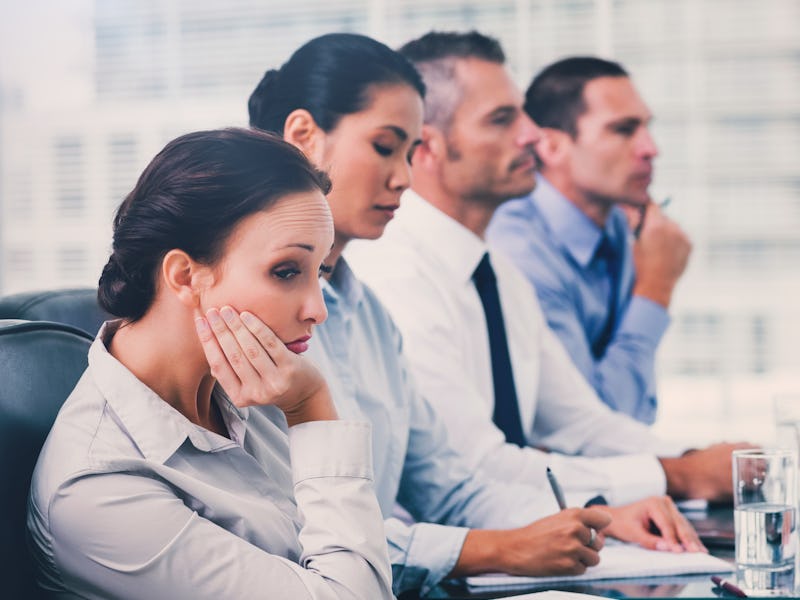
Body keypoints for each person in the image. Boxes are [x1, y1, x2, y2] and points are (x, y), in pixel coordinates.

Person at [249, 32, 705, 597]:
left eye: (408, 152)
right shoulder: (251, 315)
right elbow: (286, 533)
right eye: (386, 147)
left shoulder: (370, 315)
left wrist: (598, 514)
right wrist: (498, 548)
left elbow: (451, 485)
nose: (404, 178)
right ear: (304, 137)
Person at [346, 31, 746, 515]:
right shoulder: (393, 273)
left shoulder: (498, 273)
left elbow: (581, 423)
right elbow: (474, 469)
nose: (532, 135)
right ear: (426, 147)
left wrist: (701, 459)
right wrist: (676, 475)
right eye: (502, 119)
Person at [27, 128, 394, 599]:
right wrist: (311, 408)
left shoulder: (254, 384)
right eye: (286, 272)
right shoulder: (97, 489)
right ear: (185, 276)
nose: (317, 309)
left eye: (319, 270)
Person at [487, 57, 691, 424]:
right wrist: (656, 288)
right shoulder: (519, 252)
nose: (650, 148)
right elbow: (595, 423)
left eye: (646, 128)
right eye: (624, 130)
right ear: (550, 147)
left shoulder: (618, 224)